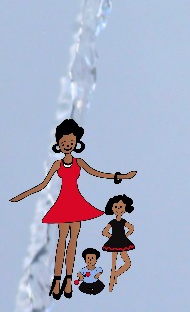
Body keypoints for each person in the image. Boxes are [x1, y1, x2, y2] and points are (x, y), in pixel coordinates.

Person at [9, 120, 135, 301]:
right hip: (64, 203)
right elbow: (43, 185)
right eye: (64, 143)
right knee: (61, 243)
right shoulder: (57, 165)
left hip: (76, 203)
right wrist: (23, 195)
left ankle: (68, 280)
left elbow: (98, 173)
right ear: (58, 144)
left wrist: (119, 176)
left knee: (72, 244)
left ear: (76, 142)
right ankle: (57, 281)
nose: (67, 146)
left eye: (70, 143)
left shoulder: (79, 162)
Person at [98, 194, 134, 290]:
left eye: (121, 207)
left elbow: (131, 228)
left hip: (120, 241)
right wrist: (112, 237)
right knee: (114, 263)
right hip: (116, 241)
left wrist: (125, 236)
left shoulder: (122, 221)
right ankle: (112, 280)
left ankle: (115, 275)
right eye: (116, 207)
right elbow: (105, 231)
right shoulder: (113, 222)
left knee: (127, 263)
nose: (118, 209)